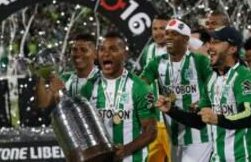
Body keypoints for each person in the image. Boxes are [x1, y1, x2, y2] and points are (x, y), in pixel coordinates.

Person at [156, 26, 251, 161]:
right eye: (210, 42)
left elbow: (248, 115)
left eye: (216, 42)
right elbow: (200, 120)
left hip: (244, 158)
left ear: (232, 49)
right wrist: (171, 110)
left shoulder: (244, 77)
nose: (210, 47)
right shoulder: (212, 79)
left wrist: (217, 119)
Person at [141, 19, 212, 162]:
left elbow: (216, 86)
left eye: (174, 34)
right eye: (167, 33)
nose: (168, 37)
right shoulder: (157, 62)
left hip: (198, 136)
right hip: (173, 135)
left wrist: (204, 101)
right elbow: (140, 84)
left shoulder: (200, 61)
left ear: (186, 39)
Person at [80, 32, 157, 162]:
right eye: (102, 49)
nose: (106, 54)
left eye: (113, 49)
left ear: (125, 55)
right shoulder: (89, 87)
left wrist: (126, 150)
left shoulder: (139, 87)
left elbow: (151, 131)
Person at [139, 15, 172, 162]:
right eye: (155, 29)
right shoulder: (149, 50)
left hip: (173, 120)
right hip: (154, 121)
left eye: (162, 28)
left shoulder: (179, 49)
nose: (158, 33)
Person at [35, 33, 99, 108]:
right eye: (74, 50)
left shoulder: (105, 80)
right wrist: (42, 75)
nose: (78, 54)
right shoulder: (64, 78)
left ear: (95, 54)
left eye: (83, 50)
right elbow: (42, 103)